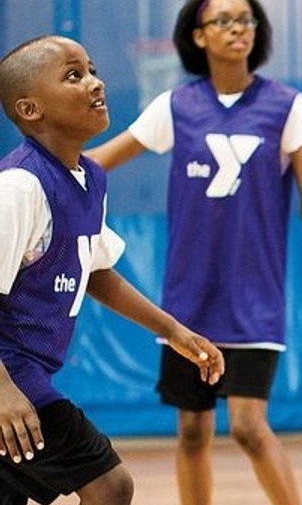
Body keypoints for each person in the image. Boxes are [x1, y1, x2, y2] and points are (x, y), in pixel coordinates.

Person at [86, 0, 302, 505]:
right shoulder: (177, 106)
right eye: (223, 21)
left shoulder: (286, 105)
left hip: (255, 298)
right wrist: (34, 170)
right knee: (192, 432)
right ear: (198, 36)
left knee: (247, 427)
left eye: (247, 20)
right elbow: (99, 160)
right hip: (189, 299)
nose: (238, 28)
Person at [0, 35, 225, 505]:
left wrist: (174, 331)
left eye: (92, 69)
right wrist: (3, 391)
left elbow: (96, 270)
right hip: (10, 374)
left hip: (24, 373)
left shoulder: (90, 178)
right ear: (30, 109)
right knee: (110, 484)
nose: (95, 83)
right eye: (73, 76)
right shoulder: (19, 187)